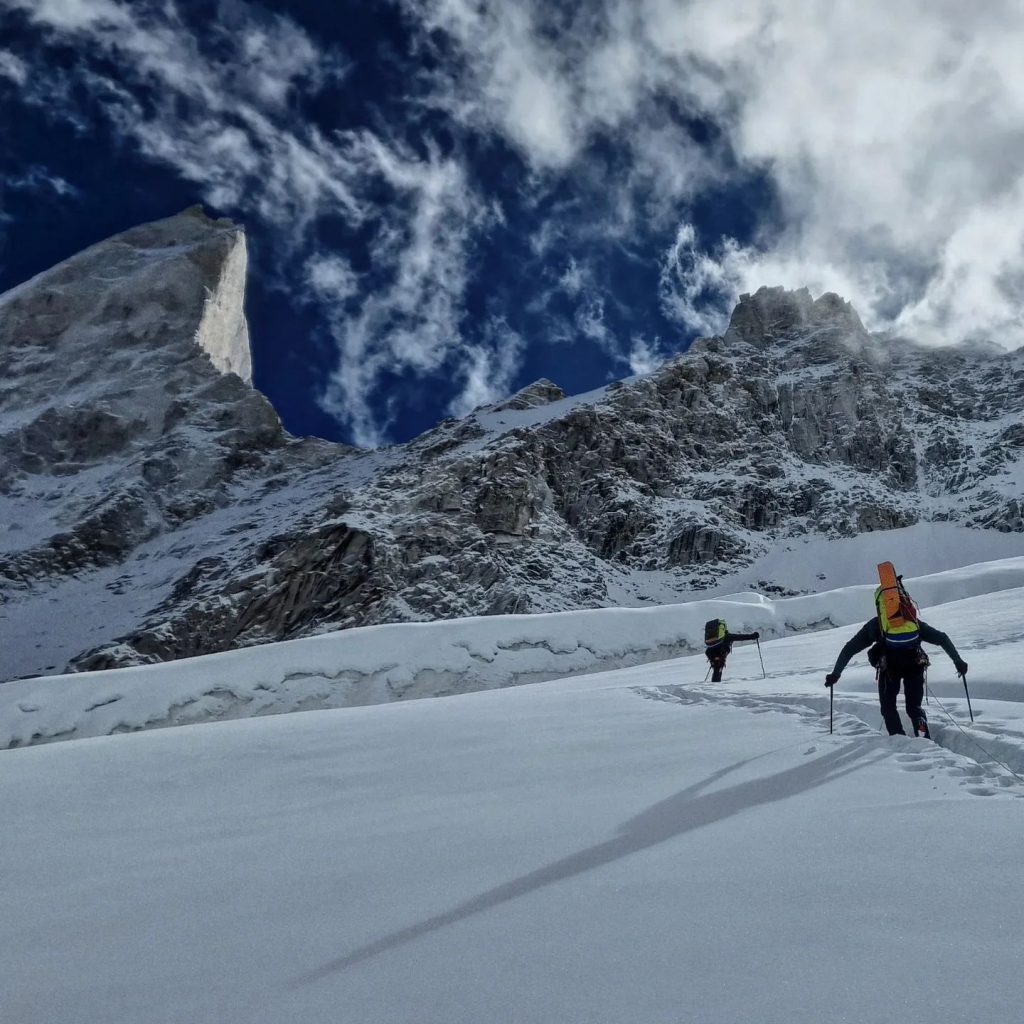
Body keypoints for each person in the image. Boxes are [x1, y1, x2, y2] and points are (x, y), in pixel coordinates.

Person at [824, 586, 968, 737]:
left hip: (889, 669)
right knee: (914, 707)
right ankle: (921, 727)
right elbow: (942, 638)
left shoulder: (876, 625)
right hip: (915, 665)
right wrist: (958, 661)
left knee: (888, 707)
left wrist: (836, 673)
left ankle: (898, 737)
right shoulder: (913, 623)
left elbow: (850, 648)